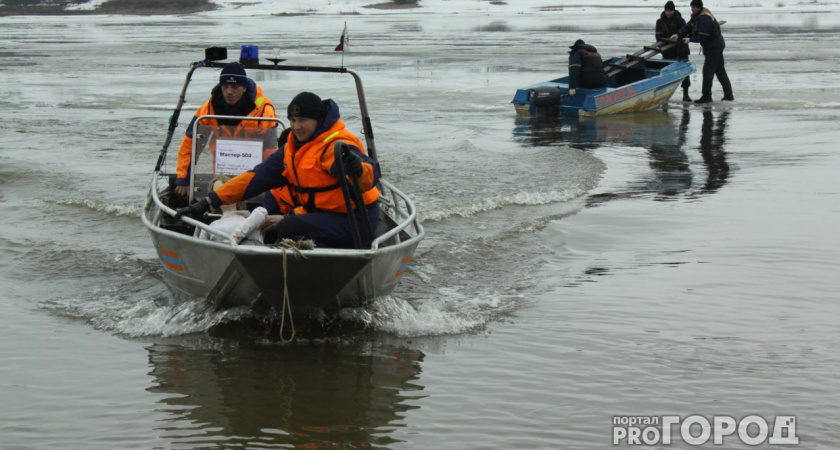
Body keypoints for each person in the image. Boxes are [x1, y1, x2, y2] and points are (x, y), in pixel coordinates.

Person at [177, 92, 381, 249]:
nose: (296, 127)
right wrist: (209, 201)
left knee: (287, 226)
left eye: (303, 121)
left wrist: (358, 169)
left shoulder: (335, 145)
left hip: (354, 221)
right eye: (292, 121)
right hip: (323, 217)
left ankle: (326, 263)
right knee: (281, 224)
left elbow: (367, 178)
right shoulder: (291, 148)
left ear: (318, 121)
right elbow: (254, 178)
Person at [173, 62, 278, 198]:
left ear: (244, 88)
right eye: (225, 86)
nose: (229, 92)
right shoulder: (208, 109)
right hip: (221, 172)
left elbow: (271, 150)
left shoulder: (264, 110)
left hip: (253, 174)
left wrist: (267, 181)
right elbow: (192, 144)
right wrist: (183, 179)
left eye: (234, 87)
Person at [672, 0, 734, 104]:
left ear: (700, 7)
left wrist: (690, 39)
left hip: (714, 47)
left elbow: (703, 36)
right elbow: (688, 27)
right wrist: (678, 34)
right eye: (692, 7)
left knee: (707, 71)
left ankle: (706, 97)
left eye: (695, 7)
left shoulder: (704, 18)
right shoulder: (696, 16)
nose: (693, 9)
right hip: (714, 46)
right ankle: (728, 95)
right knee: (720, 71)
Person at [198, 175, 268, 245]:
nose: (225, 196)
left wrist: (237, 235)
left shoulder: (253, 218)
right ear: (214, 200)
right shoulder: (209, 227)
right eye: (219, 194)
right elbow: (200, 251)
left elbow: (262, 212)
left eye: (228, 192)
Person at [656, 0, 692, 102]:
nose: (669, 12)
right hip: (667, 51)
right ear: (665, 11)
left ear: (674, 10)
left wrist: (678, 38)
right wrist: (663, 45)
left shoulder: (680, 20)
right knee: (667, 73)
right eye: (667, 10)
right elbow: (658, 36)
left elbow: (685, 32)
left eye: (671, 10)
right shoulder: (660, 22)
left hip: (680, 50)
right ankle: (664, 95)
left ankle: (686, 94)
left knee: (685, 74)